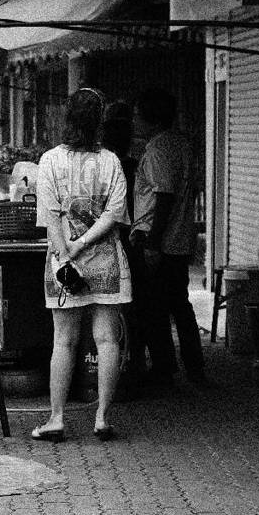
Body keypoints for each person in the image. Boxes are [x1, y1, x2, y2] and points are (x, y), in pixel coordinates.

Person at [32, 87, 131, 442]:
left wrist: (66, 252)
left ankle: (56, 419)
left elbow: (49, 214)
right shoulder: (111, 161)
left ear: (67, 117)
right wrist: (85, 243)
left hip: (63, 263)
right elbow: (115, 213)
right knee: (106, 340)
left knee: (64, 341)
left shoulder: (50, 161)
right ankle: (102, 417)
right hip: (104, 259)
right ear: (99, 121)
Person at [130, 87, 204, 385]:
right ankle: (193, 367)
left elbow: (164, 196)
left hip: (159, 237)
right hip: (180, 238)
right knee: (178, 304)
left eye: (138, 115)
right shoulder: (181, 144)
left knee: (154, 308)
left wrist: (153, 243)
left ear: (152, 119)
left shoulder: (159, 149)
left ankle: (164, 368)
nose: (134, 121)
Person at [101, 103, 148, 380]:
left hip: (111, 238)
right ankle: (135, 361)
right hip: (133, 239)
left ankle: (115, 366)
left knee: (109, 308)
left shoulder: (104, 168)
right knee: (133, 305)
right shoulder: (133, 166)